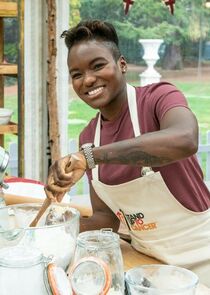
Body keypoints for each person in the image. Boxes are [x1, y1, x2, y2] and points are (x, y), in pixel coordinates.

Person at [45, 20, 210, 286]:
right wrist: (56, 227)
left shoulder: (158, 98)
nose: (87, 79)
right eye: (76, 74)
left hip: (203, 256)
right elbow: (105, 219)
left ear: (122, 64)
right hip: (148, 269)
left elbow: (185, 139)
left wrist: (91, 158)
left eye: (98, 66)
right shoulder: (90, 137)